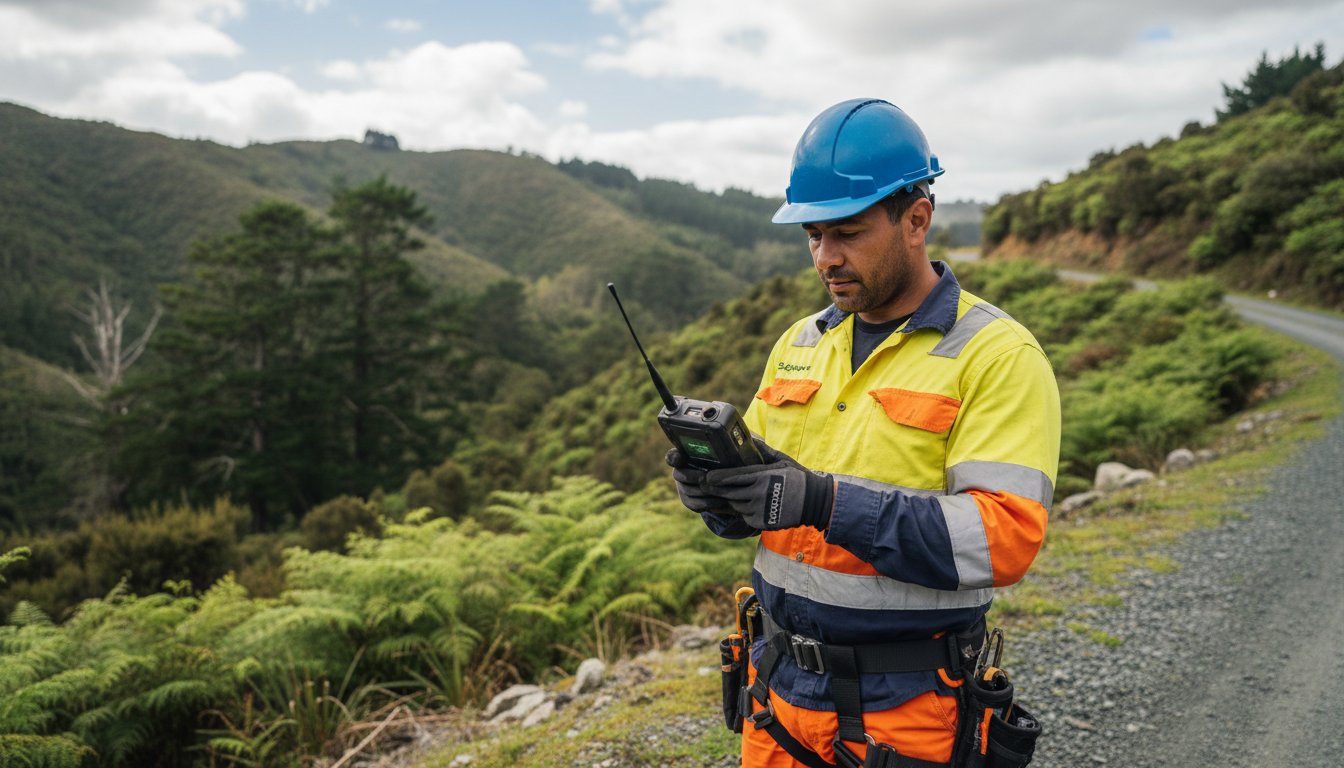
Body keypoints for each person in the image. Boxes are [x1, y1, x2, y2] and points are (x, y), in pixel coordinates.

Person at [669, 98, 1061, 768]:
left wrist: (825, 503)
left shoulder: (997, 356)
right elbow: (767, 505)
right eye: (814, 237)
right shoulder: (799, 343)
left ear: (917, 219)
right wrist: (716, 498)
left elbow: (1002, 542)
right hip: (776, 696)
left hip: (905, 716)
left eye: (847, 232)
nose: (827, 258)